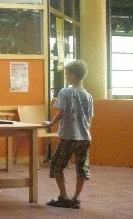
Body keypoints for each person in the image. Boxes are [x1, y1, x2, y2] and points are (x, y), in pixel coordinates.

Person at [44, 60, 94, 210]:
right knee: (82, 168)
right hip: (84, 137)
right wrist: (84, 130)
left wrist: (51, 123)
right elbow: (89, 119)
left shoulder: (65, 92)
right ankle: (75, 199)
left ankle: (63, 197)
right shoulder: (88, 96)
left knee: (56, 165)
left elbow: (61, 112)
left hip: (68, 136)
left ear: (73, 75)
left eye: (66, 74)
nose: (65, 76)